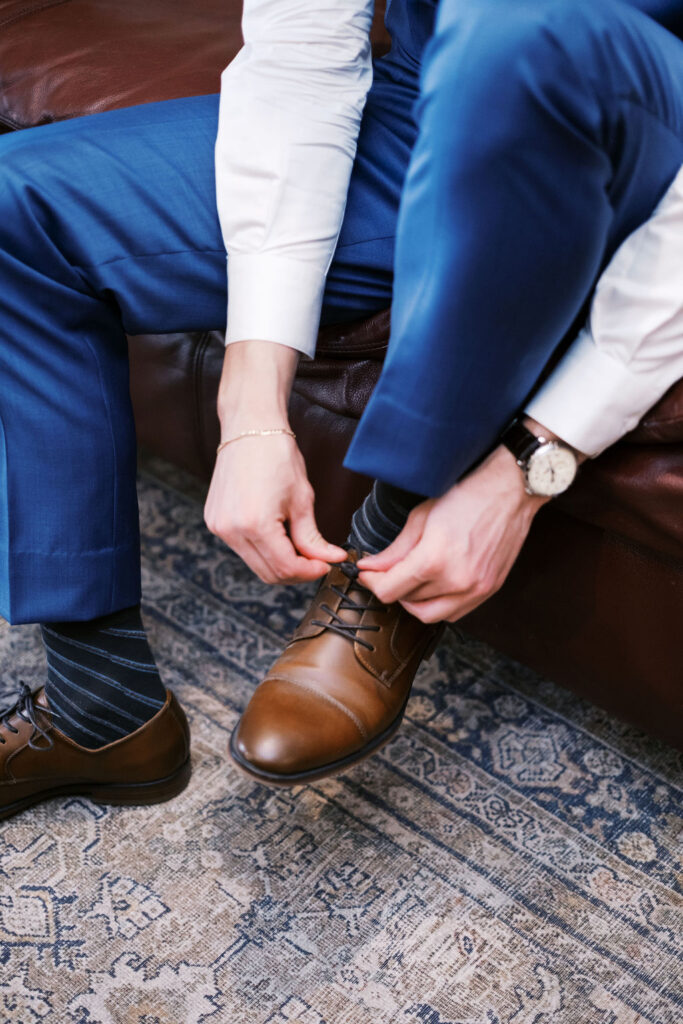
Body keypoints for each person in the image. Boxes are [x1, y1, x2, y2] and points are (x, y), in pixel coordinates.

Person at [0, 0, 682, 817]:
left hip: (640, 130)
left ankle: (387, 551)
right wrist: (250, 410)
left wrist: (530, 468)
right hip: (421, 107)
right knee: (16, 212)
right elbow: (301, 55)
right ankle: (100, 704)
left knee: (521, 29)